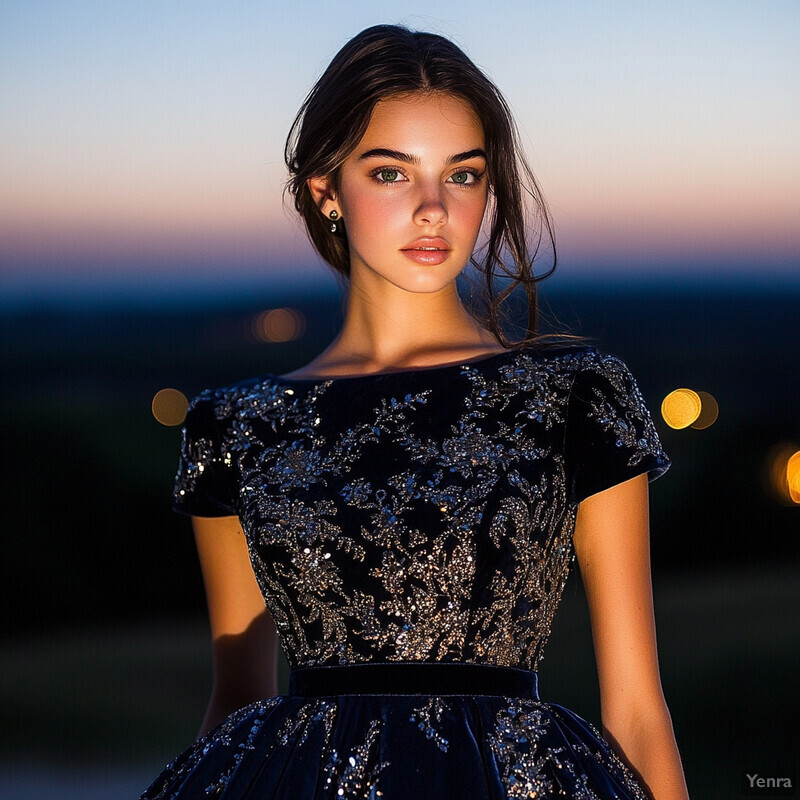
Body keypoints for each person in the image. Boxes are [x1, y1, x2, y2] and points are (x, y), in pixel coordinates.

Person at [140, 24, 690, 800]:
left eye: (463, 175)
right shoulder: (235, 427)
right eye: (393, 173)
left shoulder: (576, 395)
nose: (434, 208)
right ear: (324, 190)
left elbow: (636, 711)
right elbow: (237, 706)